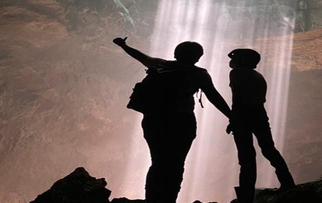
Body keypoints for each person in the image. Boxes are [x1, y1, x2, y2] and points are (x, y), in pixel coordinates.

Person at [113, 37, 231, 203]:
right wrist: (232, 117)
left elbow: (139, 56)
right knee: (176, 164)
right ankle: (169, 198)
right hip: (183, 122)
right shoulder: (199, 74)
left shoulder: (160, 65)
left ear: (176, 53)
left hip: (154, 121)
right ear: (198, 57)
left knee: (158, 162)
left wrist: (123, 45)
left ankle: (152, 199)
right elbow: (214, 97)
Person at [226, 49, 295, 203]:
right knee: (269, 149)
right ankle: (287, 182)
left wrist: (233, 120)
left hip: (244, 115)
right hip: (260, 115)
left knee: (246, 157)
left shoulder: (237, 73)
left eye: (235, 58)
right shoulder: (258, 76)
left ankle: (246, 196)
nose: (232, 61)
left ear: (243, 61)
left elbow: (237, 98)